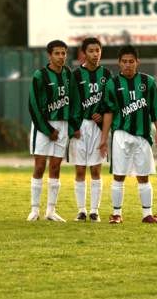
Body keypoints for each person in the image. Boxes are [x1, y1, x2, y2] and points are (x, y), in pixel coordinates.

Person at [98, 45, 157, 224]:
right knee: (119, 175)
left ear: (137, 62)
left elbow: (156, 108)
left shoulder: (148, 82)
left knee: (143, 176)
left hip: (143, 135)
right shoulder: (112, 84)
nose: (128, 65)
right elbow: (108, 112)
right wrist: (104, 139)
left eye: (131, 61)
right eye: (124, 61)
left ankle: (147, 214)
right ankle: (116, 214)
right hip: (121, 135)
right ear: (119, 63)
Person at [27, 39, 73, 222]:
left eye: (63, 53)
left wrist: (72, 125)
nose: (61, 57)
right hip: (43, 125)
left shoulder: (68, 74)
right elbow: (33, 105)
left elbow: (74, 100)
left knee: (55, 167)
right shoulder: (40, 75)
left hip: (63, 125)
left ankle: (51, 211)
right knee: (40, 166)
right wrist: (47, 129)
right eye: (57, 53)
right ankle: (34, 210)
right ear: (49, 56)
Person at [69, 37, 112, 222]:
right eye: (91, 51)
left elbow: (110, 101)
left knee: (95, 170)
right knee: (80, 171)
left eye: (98, 50)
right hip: (80, 127)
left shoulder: (107, 74)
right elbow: (70, 102)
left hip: (97, 128)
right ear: (84, 53)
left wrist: (101, 114)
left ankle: (94, 211)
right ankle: (81, 210)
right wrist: (73, 126)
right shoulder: (76, 75)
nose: (95, 54)